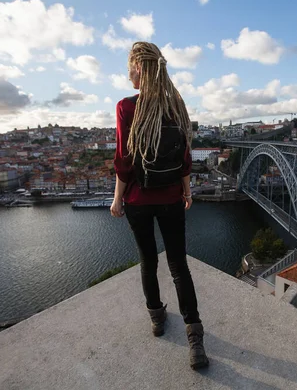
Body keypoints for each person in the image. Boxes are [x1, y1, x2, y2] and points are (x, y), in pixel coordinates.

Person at [110, 41, 209, 370]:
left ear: (139, 68)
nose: (127, 77)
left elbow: (124, 161)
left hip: (138, 200)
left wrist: (116, 199)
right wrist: (187, 192)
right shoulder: (176, 106)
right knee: (179, 266)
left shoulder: (126, 107)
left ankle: (156, 318)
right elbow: (184, 158)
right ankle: (194, 337)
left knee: (148, 261)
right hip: (170, 198)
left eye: (129, 69)